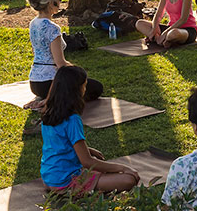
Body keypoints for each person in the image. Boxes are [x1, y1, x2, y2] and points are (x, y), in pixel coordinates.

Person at [40, 66, 140, 196]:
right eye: (84, 86)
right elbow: (87, 161)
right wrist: (123, 168)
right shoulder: (72, 119)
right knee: (128, 179)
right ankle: (74, 188)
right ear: (76, 90)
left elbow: (59, 144)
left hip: (48, 178)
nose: (85, 89)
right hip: (65, 182)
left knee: (100, 168)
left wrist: (89, 150)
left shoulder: (48, 112)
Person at [26, 0, 102, 106]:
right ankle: (52, 99)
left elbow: (36, 52)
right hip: (51, 83)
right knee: (96, 87)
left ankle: (49, 98)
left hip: (34, 83)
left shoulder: (33, 23)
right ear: (51, 2)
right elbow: (60, 64)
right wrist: (79, 72)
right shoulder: (52, 28)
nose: (61, 2)